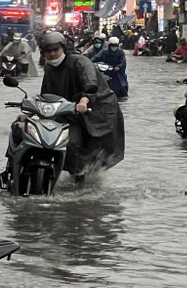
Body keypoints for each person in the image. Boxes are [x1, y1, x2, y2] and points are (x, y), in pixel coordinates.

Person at [35, 31, 125, 178]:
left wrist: (84, 99)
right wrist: (30, 111)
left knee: (85, 144)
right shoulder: (50, 69)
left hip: (97, 108)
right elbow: (46, 95)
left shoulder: (80, 62)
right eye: (48, 51)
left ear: (63, 48)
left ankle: (85, 178)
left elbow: (91, 83)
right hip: (70, 110)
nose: (52, 54)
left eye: (55, 50)